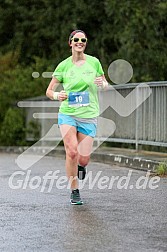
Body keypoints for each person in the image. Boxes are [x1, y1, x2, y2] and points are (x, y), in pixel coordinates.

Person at [46, 30, 108, 205]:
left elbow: (105, 84)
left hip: (89, 115)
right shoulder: (63, 66)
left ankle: (81, 166)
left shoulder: (94, 62)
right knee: (72, 151)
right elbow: (49, 90)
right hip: (68, 114)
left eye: (83, 40)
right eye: (76, 39)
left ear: (85, 43)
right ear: (70, 43)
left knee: (83, 158)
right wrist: (58, 96)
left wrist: (102, 84)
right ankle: (74, 190)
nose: (80, 42)